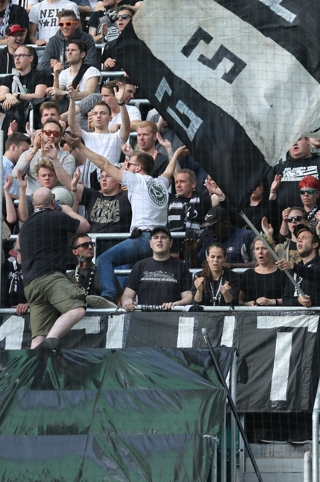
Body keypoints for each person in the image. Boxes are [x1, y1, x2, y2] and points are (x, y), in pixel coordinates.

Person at [64, 132, 187, 304]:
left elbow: (105, 164)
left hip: (144, 238)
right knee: (127, 267)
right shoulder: (160, 184)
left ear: (138, 169)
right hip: (158, 241)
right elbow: (168, 171)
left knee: (104, 259)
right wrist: (175, 154)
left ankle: (108, 297)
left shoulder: (135, 180)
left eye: (128, 164)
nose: (125, 166)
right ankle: (126, 299)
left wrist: (80, 146)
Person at [18, 187, 89, 349]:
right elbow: (84, 226)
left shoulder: (26, 226)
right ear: (52, 202)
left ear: (34, 204)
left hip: (30, 285)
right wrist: (68, 210)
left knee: (37, 337)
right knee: (77, 309)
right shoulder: (55, 217)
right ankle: (51, 341)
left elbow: (19, 255)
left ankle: (35, 371)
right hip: (50, 278)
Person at [121, 226, 193, 310]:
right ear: (150, 243)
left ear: (171, 243)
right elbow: (127, 295)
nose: (159, 240)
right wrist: (127, 301)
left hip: (172, 318)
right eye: (155, 237)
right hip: (143, 320)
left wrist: (175, 304)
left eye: (164, 237)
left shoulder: (181, 266)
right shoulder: (139, 266)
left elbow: (188, 297)